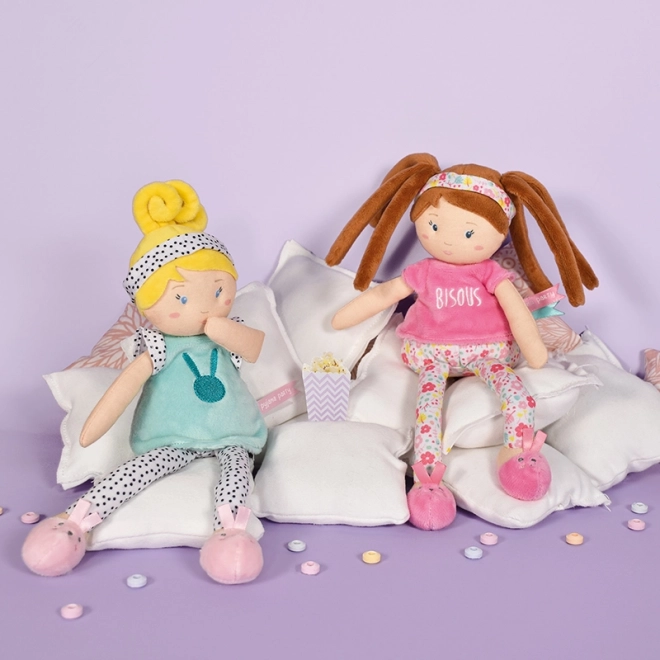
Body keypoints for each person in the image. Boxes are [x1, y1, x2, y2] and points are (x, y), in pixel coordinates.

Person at [327, 153, 597, 531]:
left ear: (498, 232)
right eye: (435, 225)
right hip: (430, 355)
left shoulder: (490, 272)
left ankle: (518, 453)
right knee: (427, 409)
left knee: (517, 394)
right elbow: (384, 294)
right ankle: (428, 479)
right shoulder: (423, 271)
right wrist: (341, 318)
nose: (450, 241)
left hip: (489, 353)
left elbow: (517, 311)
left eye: (469, 233)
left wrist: (535, 352)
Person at [23, 180, 267, 584]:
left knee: (238, 471)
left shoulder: (229, 331)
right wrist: (93, 429)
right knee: (137, 470)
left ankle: (231, 534)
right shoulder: (157, 343)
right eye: (182, 298)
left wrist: (220, 329)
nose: (204, 305)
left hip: (234, 432)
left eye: (218, 290)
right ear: (147, 303)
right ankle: (76, 522)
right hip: (171, 436)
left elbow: (254, 347)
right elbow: (126, 385)